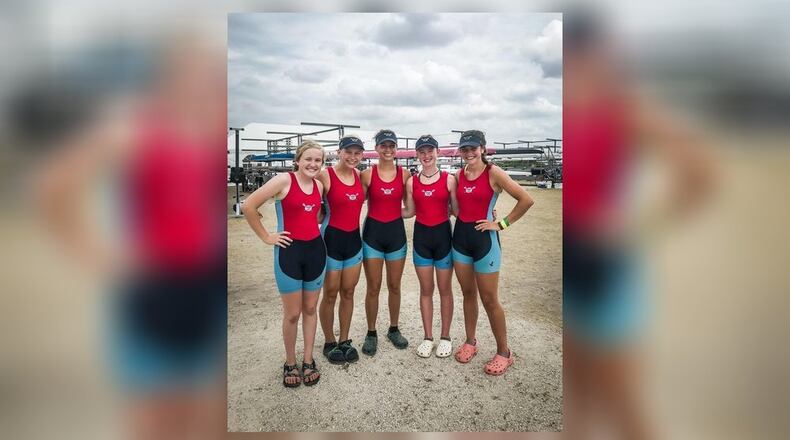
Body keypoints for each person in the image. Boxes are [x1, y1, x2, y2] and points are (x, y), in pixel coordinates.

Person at [241, 140, 327, 388]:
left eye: (318, 160)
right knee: (292, 314)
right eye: (308, 159)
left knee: (311, 310)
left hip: (315, 252)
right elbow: (248, 206)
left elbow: (315, 216)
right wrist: (267, 236)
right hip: (289, 254)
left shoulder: (319, 186)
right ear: (298, 160)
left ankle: (308, 359)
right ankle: (290, 362)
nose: (313, 164)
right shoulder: (283, 181)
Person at [452, 130, 535, 375]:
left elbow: (526, 199)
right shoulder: (459, 174)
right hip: (460, 241)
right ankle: (470, 341)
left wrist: (500, 224)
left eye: (473, 148)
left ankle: (504, 352)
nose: (468, 153)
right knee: (468, 294)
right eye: (464, 149)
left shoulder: (494, 172)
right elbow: (457, 205)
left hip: (485, 243)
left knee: (489, 299)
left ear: (483, 149)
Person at [401, 135, 459, 358]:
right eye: (422, 152)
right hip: (422, 240)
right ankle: (427, 337)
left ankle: (445, 336)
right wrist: (381, 211)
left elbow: (457, 211)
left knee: (445, 290)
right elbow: (410, 211)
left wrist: (488, 214)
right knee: (426, 291)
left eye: (430, 151)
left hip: (443, 239)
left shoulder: (449, 179)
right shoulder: (411, 182)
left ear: (438, 153)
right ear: (417, 155)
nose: (426, 156)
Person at [360, 129, 410, 355]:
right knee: (373, 287)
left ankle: (393, 328)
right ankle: (371, 332)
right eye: (383, 145)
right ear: (377, 148)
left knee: (395, 286)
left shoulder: (406, 174)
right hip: (373, 235)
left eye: (391, 145)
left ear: (396, 148)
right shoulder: (367, 174)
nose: (388, 150)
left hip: (396, 235)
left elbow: (411, 208)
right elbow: (351, 201)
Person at [316, 135, 365, 364]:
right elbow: (308, 206)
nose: (352, 157)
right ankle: (329, 341)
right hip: (331, 243)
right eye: (348, 152)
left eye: (357, 153)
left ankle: (345, 339)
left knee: (348, 292)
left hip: (354, 242)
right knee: (331, 293)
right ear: (339, 152)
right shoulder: (325, 176)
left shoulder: (359, 176)